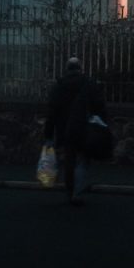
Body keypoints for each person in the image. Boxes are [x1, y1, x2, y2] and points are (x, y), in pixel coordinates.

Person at [43, 56, 105, 205]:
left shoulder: (59, 85)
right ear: (80, 68)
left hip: (65, 128)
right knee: (83, 159)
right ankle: (78, 191)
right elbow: (99, 105)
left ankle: (70, 191)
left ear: (67, 69)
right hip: (84, 127)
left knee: (69, 160)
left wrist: (48, 133)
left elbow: (52, 112)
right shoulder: (88, 83)